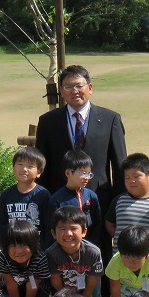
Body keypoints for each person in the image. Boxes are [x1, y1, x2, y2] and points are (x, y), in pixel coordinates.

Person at [35, 65, 126, 209]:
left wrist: (119, 203)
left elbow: (119, 164)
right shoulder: (48, 121)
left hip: (99, 199)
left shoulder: (110, 119)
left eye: (79, 85)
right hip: (59, 200)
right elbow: (42, 165)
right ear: (61, 90)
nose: (74, 91)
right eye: (68, 86)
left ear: (90, 88)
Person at [105, 153, 149, 255]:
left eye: (136, 176)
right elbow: (109, 224)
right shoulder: (118, 201)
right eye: (127, 178)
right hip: (121, 261)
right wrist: (124, 239)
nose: (131, 181)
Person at [45, 205, 105, 297]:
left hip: (89, 286)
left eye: (73, 228)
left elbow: (94, 277)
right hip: (64, 288)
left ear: (84, 231)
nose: (68, 233)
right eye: (62, 229)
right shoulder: (52, 253)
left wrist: (87, 295)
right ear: (53, 233)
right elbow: (55, 280)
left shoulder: (93, 252)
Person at [0, 146, 52, 248]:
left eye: (30, 166)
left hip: (36, 249)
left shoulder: (44, 195)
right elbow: (2, 225)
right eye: (20, 164)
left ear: (39, 172)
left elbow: (48, 226)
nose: (24, 169)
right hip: (12, 248)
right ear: (14, 168)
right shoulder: (6, 195)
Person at [47, 149, 102, 248]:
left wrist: (93, 243)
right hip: (64, 247)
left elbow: (97, 223)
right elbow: (52, 227)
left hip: (88, 247)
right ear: (68, 173)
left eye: (89, 173)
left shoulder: (91, 196)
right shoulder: (57, 199)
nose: (87, 177)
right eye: (83, 172)